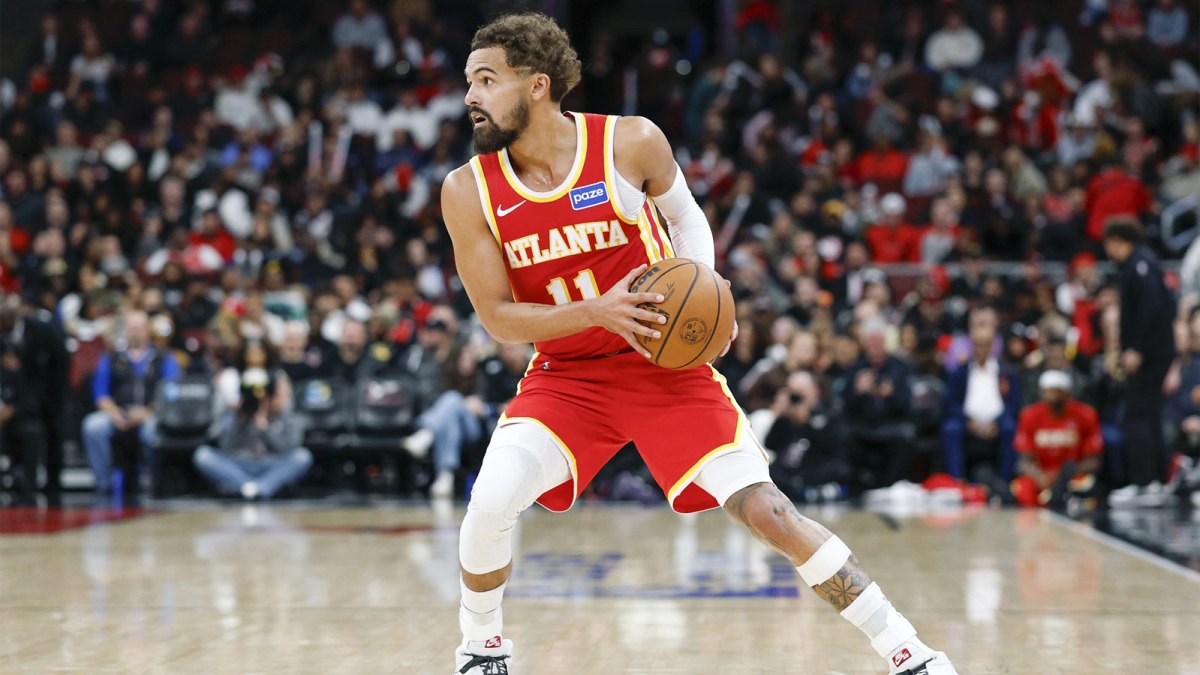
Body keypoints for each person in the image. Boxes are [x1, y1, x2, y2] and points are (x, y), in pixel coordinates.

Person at [439, 13, 956, 675]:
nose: (470, 97)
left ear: (538, 86)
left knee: (769, 511)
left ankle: (909, 651)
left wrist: (708, 289)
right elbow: (500, 318)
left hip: (662, 366)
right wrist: (596, 310)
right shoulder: (467, 190)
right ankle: (481, 648)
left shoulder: (628, 143)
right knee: (489, 498)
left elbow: (685, 217)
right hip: (568, 375)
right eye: (468, 82)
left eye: (486, 80)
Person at [1102, 219, 1176, 506]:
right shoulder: (1144, 262)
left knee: (1136, 416)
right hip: (1157, 352)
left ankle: (1144, 483)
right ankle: (1157, 482)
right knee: (1151, 416)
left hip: (1149, 354)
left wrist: (1137, 349)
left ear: (1119, 240)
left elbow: (1153, 308)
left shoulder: (1140, 264)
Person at [82, 309, 181, 494]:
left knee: (152, 432)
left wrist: (147, 412)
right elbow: (100, 394)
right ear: (125, 330)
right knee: (92, 426)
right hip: (118, 413)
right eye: (131, 327)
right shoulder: (112, 357)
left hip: (151, 414)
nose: (135, 331)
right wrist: (114, 413)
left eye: (139, 327)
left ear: (147, 330)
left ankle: (153, 481)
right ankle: (104, 484)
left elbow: (171, 393)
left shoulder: (164, 358)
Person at [193, 370, 312, 499]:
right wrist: (239, 420)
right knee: (203, 455)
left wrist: (264, 427)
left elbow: (286, 449)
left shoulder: (290, 418)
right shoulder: (240, 415)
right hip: (240, 464)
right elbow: (226, 447)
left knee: (302, 456)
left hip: (271, 464)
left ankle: (260, 488)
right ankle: (247, 487)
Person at [941, 306, 1021, 485]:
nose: (981, 349)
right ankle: (957, 482)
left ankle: (1005, 483)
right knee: (950, 428)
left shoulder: (1007, 372)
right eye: (977, 345)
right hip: (967, 420)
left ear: (993, 345)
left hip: (998, 421)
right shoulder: (959, 373)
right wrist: (968, 421)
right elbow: (951, 404)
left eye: (985, 345)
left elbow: (1013, 404)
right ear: (971, 345)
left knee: (1011, 427)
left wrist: (996, 422)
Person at [0, 295, 69, 501]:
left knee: (53, 435)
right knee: (20, 431)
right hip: (14, 396)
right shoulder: (3, 335)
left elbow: (62, 359)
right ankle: (18, 479)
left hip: (48, 392)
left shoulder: (41, 328)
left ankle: (53, 485)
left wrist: (47, 393)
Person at [1012, 370, 1103, 508]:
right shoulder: (1029, 415)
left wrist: (1065, 475)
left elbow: (1094, 460)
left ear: (1067, 393)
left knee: (1088, 488)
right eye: (1048, 392)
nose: (1052, 396)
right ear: (1041, 393)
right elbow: (1023, 461)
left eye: (1056, 392)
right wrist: (1040, 476)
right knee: (1023, 490)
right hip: (1041, 475)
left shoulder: (1086, 414)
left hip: (1073, 476)